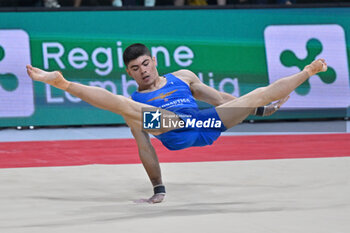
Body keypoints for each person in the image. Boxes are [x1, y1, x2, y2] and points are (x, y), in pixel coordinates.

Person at [26, 43, 327, 204]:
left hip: (204, 125)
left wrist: (258, 111)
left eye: (145, 63)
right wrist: (158, 188)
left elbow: (221, 98)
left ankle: (308, 71)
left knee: (257, 95)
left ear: (154, 60)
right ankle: (63, 82)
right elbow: (144, 146)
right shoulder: (138, 101)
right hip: (172, 128)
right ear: (130, 74)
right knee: (126, 106)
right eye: (135, 69)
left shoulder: (183, 76)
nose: (142, 71)